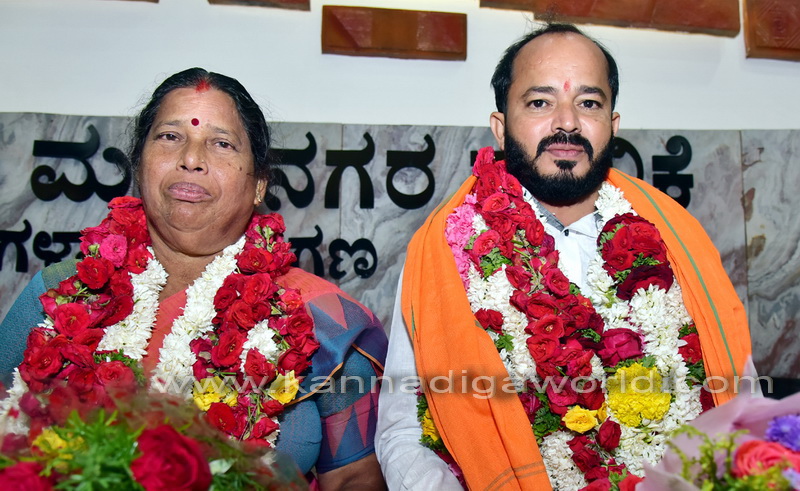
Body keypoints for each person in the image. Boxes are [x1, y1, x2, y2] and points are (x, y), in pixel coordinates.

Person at [375, 24, 752, 490]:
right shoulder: (443, 253)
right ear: (501, 127)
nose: (567, 123)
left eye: (589, 103)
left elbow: (740, 398)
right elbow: (405, 431)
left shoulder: (677, 236)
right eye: (540, 102)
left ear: (613, 124)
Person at [0, 68, 388, 490]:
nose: (191, 158)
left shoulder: (323, 321)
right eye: (170, 136)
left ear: (259, 185)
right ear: (139, 165)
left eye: (221, 143)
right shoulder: (57, 299)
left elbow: (353, 479)